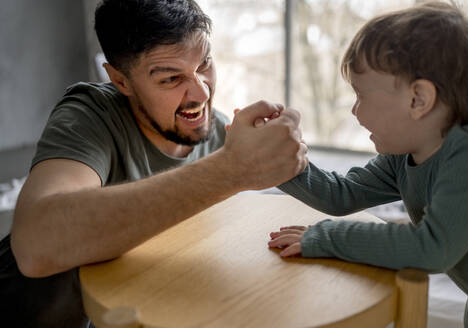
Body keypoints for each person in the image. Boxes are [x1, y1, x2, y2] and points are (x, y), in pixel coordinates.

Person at [0, 0, 308, 327]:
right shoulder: (89, 116)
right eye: (171, 79)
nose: (201, 93)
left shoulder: (222, 133)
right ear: (121, 81)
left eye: (204, 64)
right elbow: (36, 246)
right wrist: (230, 171)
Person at [268, 2, 468, 327]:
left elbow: (431, 248)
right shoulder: (406, 154)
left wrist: (328, 237)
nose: (355, 112)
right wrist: (279, 159)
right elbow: (340, 195)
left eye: (361, 95)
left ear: (418, 99)